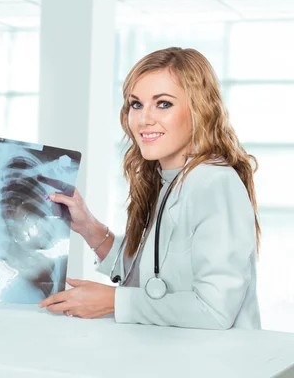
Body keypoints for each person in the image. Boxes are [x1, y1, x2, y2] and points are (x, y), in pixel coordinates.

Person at [39, 47, 261, 330]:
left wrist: (113, 301)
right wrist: (89, 227)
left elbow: (215, 311)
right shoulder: (166, 177)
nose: (144, 119)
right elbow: (151, 275)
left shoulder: (214, 183)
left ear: (200, 109)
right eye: (136, 104)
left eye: (164, 104)